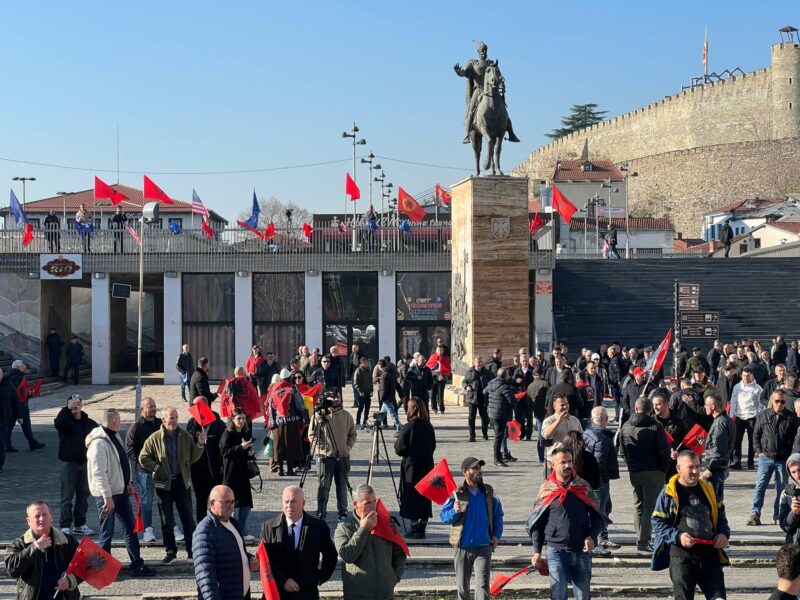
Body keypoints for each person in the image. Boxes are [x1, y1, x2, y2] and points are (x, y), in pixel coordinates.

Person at [651, 450, 730, 600]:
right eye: (690, 467)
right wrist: (678, 536)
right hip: (682, 558)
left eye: (698, 466)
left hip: (710, 555)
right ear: (679, 468)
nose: (695, 471)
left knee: (719, 597)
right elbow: (657, 522)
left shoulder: (709, 488)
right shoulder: (668, 493)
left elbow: (721, 516)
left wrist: (723, 533)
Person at [527, 448, 604, 600]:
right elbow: (537, 523)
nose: (567, 465)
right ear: (552, 465)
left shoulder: (583, 486)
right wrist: (537, 551)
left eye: (569, 461)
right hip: (556, 552)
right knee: (558, 596)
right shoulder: (547, 489)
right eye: (563, 462)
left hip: (582, 551)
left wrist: (592, 537)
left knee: (583, 596)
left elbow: (598, 517)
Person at [86, 409, 153, 576]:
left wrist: (127, 483)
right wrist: (107, 496)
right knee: (106, 531)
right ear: (114, 421)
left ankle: (137, 564)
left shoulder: (114, 436)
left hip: (120, 491)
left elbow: (121, 462)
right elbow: (99, 473)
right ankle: (101, 570)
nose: (121, 422)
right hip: (107, 495)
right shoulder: (99, 443)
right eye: (119, 419)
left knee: (131, 527)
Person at [139, 406, 206, 563]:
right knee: (166, 521)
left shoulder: (184, 436)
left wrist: (200, 444)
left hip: (182, 483)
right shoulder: (154, 438)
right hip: (164, 486)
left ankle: (191, 551)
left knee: (188, 520)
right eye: (171, 417)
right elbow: (143, 457)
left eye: (176, 417)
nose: (174, 420)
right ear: (163, 419)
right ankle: (171, 551)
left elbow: (193, 456)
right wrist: (157, 468)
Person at [440, 457, 504, 600]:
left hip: (483, 547)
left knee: (483, 587)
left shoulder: (489, 492)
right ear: (465, 471)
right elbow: (444, 517)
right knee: (463, 589)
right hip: (462, 548)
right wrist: (454, 511)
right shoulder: (456, 493)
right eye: (474, 468)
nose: (478, 471)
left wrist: (496, 535)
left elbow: (498, 515)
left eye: (479, 468)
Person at [261, 486, 338, 600]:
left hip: (307, 593)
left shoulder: (318, 527)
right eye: (286, 502)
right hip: (278, 592)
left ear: (303, 503)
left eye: (293, 501)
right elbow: (266, 561)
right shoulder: (268, 527)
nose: (289, 506)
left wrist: (318, 579)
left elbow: (331, 556)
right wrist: (283, 580)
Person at [334, 483, 407, 600]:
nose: (373, 506)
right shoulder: (344, 527)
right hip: (357, 595)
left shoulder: (385, 523)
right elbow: (347, 555)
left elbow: (400, 553)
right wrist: (363, 529)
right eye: (368, 503)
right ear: (355, 504)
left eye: (374, 501)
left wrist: (393, 577)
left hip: (385, 595)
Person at [619, 397, 671, 555]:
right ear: (650, 410)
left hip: (635, 471)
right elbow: (664, 451)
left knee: (638, 504)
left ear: (635, 408)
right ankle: (643, 542)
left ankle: (640, 536)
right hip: (653, 471)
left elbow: (622, 449)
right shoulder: (655, 426)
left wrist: (630, 465)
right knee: (650, 507)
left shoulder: (626, 426)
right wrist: (664, 469)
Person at [193, 484, 259, 600]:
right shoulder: (204, 532)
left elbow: (235, 552)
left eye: (233, 502)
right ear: (212, 504)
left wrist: (249, 559)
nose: (231, 506)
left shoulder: (234, 524)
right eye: (226, 502)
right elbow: (206, 577)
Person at [5, 500, 80, 600]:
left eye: (45, 514)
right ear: (28, 521)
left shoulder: (67, 541)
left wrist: (71, 580)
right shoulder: (18, 544)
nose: (42, 519)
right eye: (37, 516)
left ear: (51, 516)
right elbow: (12, 570)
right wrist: (35, 548)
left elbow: (84, 566)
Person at [453, 40, 520, 144]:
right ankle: (466, 134)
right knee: (471, 112)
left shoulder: (492, 63)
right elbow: (463, 72)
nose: (483, 51)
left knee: (504, 112)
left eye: (485, 50)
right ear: (478, 51)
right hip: (478, 91)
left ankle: (511, 133)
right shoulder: (473, 63)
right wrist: (459, 72)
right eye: (481, 50)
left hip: (492, 92)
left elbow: (499, 76)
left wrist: (502, 82)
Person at [748, 390, 798, 526]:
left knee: (781, 489)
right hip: (766, 458)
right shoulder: (763, 415)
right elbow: (756, 435)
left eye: (782, 401)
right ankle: (755, 514)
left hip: (783, 459)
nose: (780, 404)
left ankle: (778, 514)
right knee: (760, 486)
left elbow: (795, 439)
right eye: (777, 401)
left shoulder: (791, 417)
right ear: (772, 400)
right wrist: (759, 451)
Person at [309, 389, 356, 521]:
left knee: (342, 486)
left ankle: (343, 512)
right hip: (325, 457)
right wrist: (321, 448)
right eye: (332, 397)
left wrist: (347, 447)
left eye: (337, 397)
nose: (335, 400)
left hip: (343, 457)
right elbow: (312, 434)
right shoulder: (319, 415)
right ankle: (321, 511)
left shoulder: (346, 415)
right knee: (324, 486)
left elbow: (353, 434)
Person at [54, 394, 97, 536]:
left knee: (83, 496)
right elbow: (59, 422)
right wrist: (66, 409)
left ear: (82, 405)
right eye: (72, 403)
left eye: (78, 402)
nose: (75, 405)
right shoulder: (65, 422)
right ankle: (65, 525)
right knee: (66, 496)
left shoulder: (89, 423)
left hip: (86, 463)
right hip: (69, 463)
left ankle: (80, 523)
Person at [394, 397, 436, 539]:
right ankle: (422, 528)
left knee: (411, 496)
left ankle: (413, 528)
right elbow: (433, 446)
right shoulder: (428, 426)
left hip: (412, 468)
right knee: (425, 496)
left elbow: (399, 448)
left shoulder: (408, 427)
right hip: (427, 467)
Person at [582, 406, 621, 553]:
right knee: (600, 510)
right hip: (599, 480)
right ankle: (597, 541)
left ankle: (603, 537)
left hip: (590, 479)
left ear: (592, 420)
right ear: (606, 420)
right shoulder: (602, 438)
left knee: (603, 507)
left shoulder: (587, 433)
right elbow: (599, 462)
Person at [124, 396, 161, 542]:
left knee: (164, 498)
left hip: (161, 469)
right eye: (149, 406)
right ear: (142, 409)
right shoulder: (136, 427)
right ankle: (148, 529)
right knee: (147, 500)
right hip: (144, 471)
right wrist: (144, 462)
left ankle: (171, 526)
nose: (153, 409)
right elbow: (129, 450)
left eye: (154, 406)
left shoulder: (160, 424)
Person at [219, 408, 256, 542]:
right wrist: (241, 447)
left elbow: (246, 451)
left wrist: (250, 453)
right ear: (233, 420)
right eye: (238, 419)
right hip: (231, 474)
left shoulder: (246, 432)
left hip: (243, 473)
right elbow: (224, 451)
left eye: (243, 418)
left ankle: (242, 529)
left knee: (246, 504)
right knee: (232, 504)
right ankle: (233, 531)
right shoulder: (227, 433)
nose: (241, 421)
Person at [187, 397, 225, 525]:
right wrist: (196, 437)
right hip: (197, 469)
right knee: (200, 500)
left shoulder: (218, 424)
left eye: (197, 405)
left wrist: (222, 466)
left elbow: (223, 446)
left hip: (214, 468)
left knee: (217, 499)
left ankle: (218, 524)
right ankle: (201, 525)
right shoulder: (192, 423)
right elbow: (188, 444)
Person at [269, 368, 308, 476]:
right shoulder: (292, 389)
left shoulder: (274, 389)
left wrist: (272, 423)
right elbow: (299, 404)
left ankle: (280, 469)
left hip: (278, 423)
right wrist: (303, 417)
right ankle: (290, 469)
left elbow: (270, 407)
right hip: (292, 422)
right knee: (291, 445)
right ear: (289, 378)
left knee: (279, 445)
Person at [702, 393, 736, 502]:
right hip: (722, 466)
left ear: (713, 406)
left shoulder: (720, 423)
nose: (704, 407)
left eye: (706, 404)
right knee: (718, 501)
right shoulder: (727, 420)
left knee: (713, 501)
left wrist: (709, 468)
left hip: (715, 468)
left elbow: (718, 449)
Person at [6, 360, 45, 451]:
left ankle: (8, 445)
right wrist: (30, 393)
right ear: (19, 366)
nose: (25, 365)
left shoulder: (10, 376)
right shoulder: (18, 377)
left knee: (10, 425)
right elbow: (19, 392)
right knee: (25, 424)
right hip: (20, 405)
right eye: (23, 364)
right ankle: (31, 443)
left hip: (11, 405)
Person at [730, 366, 764, 470]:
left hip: (752, 417)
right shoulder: (737, 387)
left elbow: (761, 404)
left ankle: (751, 462)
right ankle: (737, 461)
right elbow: (733, 401)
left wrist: (758, 415)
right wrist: (731, 417)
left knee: (752, 441)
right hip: (740, 416)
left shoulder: (758, 388)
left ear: (752, 376)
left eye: (748, 376)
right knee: (737, 440)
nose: (746, 378)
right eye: (744, 376)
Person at [485, 367, 517, 466]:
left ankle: (501, 455)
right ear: (504, 376)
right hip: (500, 414)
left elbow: (484, 392)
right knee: (499, 437)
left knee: (499, 436)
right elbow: (512, 401)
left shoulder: (491, 384)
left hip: (492, 413)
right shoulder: (504, 386)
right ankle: (497, 459)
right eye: (508, 374)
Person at [541, 395, 583, 461]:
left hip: (572, 459)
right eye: (562, 405)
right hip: (555, 460)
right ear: (554, 407)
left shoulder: (575, 420)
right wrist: (558, 421)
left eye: (566, 404)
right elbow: (546, 434)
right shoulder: (549, 420)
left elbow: (581, 437)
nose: (565, 406)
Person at [463, 356, 492, 442]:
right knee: (471, 417)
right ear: (474, 363)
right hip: (472, 398)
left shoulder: (487, 372)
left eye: (480, 362)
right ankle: (472, 436)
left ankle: (485, 434)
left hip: (483, 398)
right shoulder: (470, 372)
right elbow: (464, 382)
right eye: (478, 362)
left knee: (485, 418)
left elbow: (492, 382)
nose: (479, 364)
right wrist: (467, 386)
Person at [779, 454, 800, 544]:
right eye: (793, 472)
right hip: (794, 546)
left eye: (799, 470)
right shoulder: (787, 493)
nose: (798, 475)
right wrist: (794, 513)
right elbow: (785, 526)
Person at [378, 356, 402, 431]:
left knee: (393, 413)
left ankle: (399, 428)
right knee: (382, 412)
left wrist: (382, 398)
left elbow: (383, 389)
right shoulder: (391, 374)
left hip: (386, 397)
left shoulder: (384, 375)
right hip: (391, 396)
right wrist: (401, 394)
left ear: (380, 366)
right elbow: (397, 385)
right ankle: (377, 426)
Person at [427, 345, 452, 415]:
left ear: (443, 351)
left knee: (441, 394)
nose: (439, 352)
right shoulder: (432, 357)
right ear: (436, 350)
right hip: (433, 378)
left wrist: (442, 373)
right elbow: (428, 366)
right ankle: (434, 408)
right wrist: (434, 372)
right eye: (438, 350)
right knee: (432, 394)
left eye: (441, 350)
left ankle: (441, 408)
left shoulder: (446, 358)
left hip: (442, 378)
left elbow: (448, 368)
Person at [353, 356, 373, 430]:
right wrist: (360, 391)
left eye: (368, 362)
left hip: (368, 392)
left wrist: (371, 390)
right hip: (361, 393)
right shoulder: (358, 370)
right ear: (363, 363)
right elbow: (356, 383)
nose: (368, 363)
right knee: (360, 408)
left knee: (367, 408)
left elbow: (370, 381)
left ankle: (365, 422)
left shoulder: (368, 370)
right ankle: (358, 423)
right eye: (367, 362)